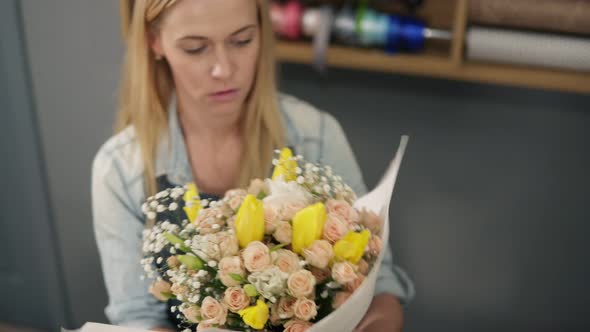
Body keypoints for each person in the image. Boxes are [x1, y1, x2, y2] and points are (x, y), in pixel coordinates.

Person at [92, 0, 414, 331]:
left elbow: (379, 283)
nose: (224, 69)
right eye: (195, 48)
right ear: (154, 42)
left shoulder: (315, 136)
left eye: (242, 41)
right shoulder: (120, 170)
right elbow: (138, 319)